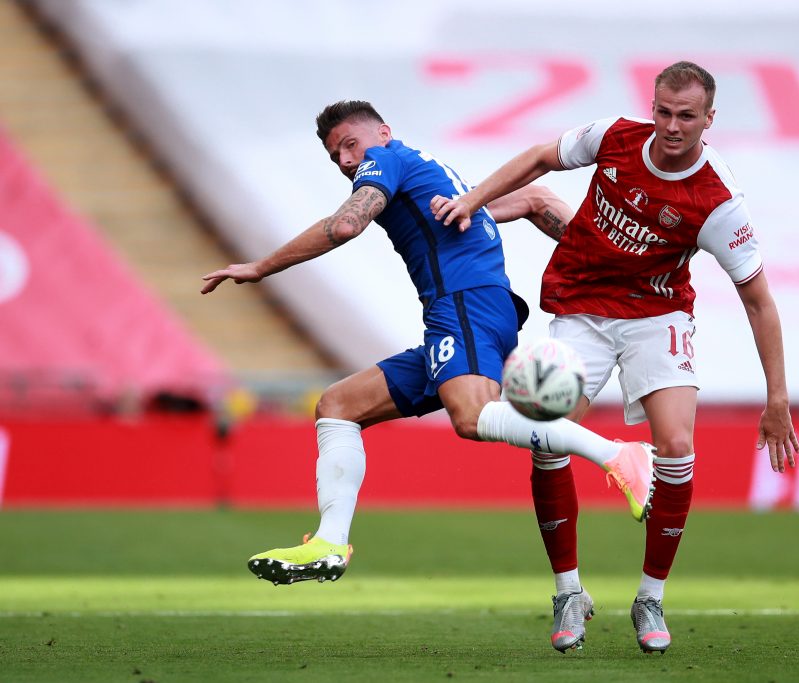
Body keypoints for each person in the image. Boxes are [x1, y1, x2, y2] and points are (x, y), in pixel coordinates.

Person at [200, 100, 658, 591]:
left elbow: (346, 224)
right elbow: (535, 199)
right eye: (336, 156)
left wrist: (259, 267)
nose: (347, 161)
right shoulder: (431, 174)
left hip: (465, 306)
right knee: (337, 406)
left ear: (383, 133)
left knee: (470, 417)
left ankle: (620, 455)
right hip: (467, 312)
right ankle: (330, 541)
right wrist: (608, 264)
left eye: (350, 145)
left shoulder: (387, 160)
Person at [431, 61, 799, 654]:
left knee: (677, 447)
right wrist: (471, 200)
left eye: (687, 116)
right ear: (651, 107)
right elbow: (538, 158)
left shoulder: (718, 201)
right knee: (544, 435)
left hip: (658, 316)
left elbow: (759, 302)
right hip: (582, 310)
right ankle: (568, 590)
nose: (672, 126)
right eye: (664, 112)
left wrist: (776, 398)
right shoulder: (616, 137)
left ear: (710, 119)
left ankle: (650, 597)